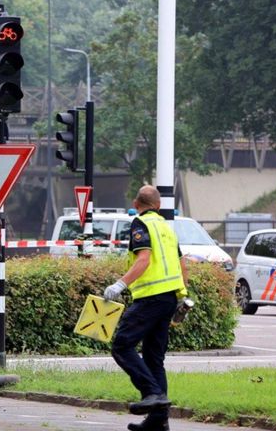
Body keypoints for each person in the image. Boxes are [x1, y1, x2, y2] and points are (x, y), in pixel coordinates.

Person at [103, 185, 188, 431]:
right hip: (169, 299)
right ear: (159, 205)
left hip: (150, 298)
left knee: (122, 344)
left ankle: (151, 393)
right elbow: (183, 264)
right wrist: (182, 296)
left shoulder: (140, 223)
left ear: (136, 203)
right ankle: (158, 422)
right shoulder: (167, 228)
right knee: (154, 358)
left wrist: (119, 285)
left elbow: (144, 259)